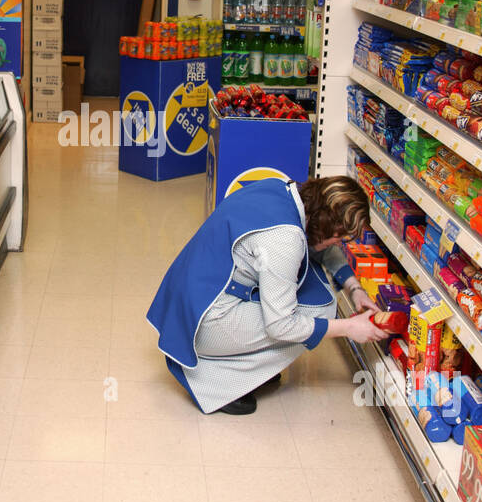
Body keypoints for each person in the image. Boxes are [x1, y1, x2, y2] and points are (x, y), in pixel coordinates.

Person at [147, 176, 388, 416]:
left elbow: (322, 246)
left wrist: (354, 288)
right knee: (319, 309)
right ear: (324, 223)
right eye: (339, 237)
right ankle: (221, 382)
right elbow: (280, 326)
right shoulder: (285, 238)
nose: (338, 244)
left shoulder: (281, 190)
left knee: (311, 295)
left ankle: (237, 367)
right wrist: (348, 327)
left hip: (188, 303)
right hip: (205, 324)